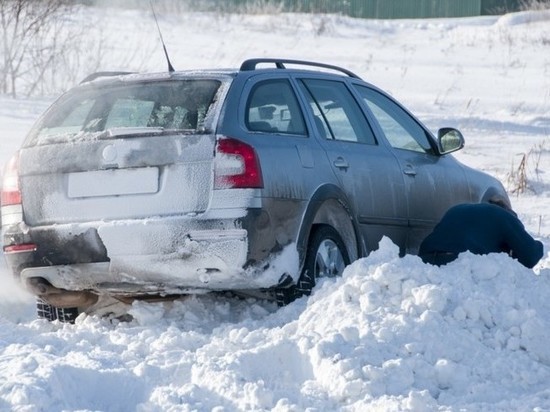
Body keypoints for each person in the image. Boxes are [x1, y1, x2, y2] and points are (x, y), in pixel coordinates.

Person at [418, 199, 544, 268]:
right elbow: (530, 256)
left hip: (425, 261)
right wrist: (539, 245)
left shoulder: (460, 208)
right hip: (457, 264)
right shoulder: (506, 218)